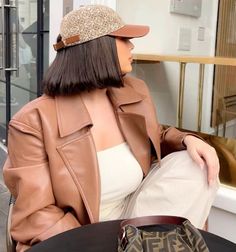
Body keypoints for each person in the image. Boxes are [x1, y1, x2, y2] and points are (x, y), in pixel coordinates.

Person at [3, 5, 219, 252]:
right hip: (80, 234)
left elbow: (153, 135)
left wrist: (188, 140)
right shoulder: (33, 121)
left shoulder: (134, 91)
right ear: (97, 47)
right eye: (124, 39)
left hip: (133, 217)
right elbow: (36, 216)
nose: (132, 46)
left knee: (196, 165)